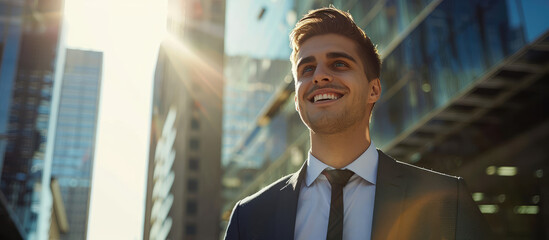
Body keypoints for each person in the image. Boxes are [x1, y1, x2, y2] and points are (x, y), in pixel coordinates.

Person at [225, 6, 492, 240]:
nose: (319, 76)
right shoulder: (248, 217)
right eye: (307, 69)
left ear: (373, 90)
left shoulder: (447, 200)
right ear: (296, 100)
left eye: (339, 63)